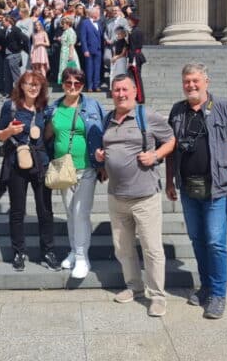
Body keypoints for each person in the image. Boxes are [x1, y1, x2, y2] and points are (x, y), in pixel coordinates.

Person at [165, 63, 227, 319]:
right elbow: (171, 150)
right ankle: (206, 286)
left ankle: (218, 295)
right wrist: (169, 181)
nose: (191, 85)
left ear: (206, 82)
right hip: (189, 188)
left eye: (195, 81)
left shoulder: (223, 108)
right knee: (198, 240)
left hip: (218, 187)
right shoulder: (178, 111)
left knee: (215, 242)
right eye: (187, 81)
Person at [94, 74, 176, 317]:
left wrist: (156, 155)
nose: (120, 94)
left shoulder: (146, 115)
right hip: (116, 196)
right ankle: (134, 286)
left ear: (134, 91)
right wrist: (101, 156)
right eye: (116, 90)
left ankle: (158, 295)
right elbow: (108, 146)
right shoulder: (108, 118)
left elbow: (171, 140)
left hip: (145, 196)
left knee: (152, 248)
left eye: (124, 89)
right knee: (123, 247)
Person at [0, 71, 61, 272]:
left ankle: (48, 251)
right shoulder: (10, 107)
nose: (33, 88)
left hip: (40, 163)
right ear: (21, 86)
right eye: (29, 84)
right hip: (17, 163)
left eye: (37, 85)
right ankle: (19, 252)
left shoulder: (44, 109)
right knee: (17, 211)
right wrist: (9, 132)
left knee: (45, 210)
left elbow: (48, 134)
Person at [44, 68, 106, 279]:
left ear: (83, 85)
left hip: (87, 167)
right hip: (63, 168)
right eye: (68, 83)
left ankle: (82, 256)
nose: (72, 87)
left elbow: (105, 131)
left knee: (81, 212)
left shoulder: (92, 106)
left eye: (77, 84)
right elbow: (47, 135)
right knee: (70, 211)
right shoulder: (53, 109)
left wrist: (104, 161)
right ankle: (73, 250)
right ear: (62, 84)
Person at [80, 6, 104, 92]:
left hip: (98, 50)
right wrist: (85, 50)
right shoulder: (85, 23)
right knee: (89, 68)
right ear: (93, 14)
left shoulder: (98, 23)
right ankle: (89, 86)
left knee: (97, 68)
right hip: (89, 50)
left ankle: (96, 85)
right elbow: (83, 38)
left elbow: (101, 36)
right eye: (98, 13)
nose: (99, 14)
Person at [58, 17, 79, 84]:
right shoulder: (66, 31)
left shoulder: (70, 31)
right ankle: (65, 81)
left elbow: (71, 44)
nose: (62, 25)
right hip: (64, 52)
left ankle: (71, 81)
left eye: (63, 24)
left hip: (68, 52)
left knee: (70, 68)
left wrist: (70, 55)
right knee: (64, 68)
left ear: (68, 24)